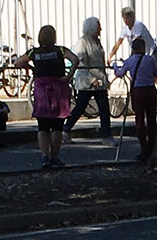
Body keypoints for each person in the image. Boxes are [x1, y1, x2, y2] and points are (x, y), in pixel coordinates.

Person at [13, 25, 79, 168]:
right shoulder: (60, 50)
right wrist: (69, 76)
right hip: (59, 87)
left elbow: (18, 62)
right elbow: (75, 59)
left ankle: (44, 156)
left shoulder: (34, 52)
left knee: (42, 126)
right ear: (54, 37)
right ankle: (55, 157)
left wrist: (31, 69)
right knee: (57, 126)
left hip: (41, 88)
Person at [64, 17, 115, 145]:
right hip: (87, 82)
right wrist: (92, 79)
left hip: (99, 82)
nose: (101, 30)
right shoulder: (83, 42)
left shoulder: (96, 41)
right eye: (98, 27)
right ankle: (66, 130)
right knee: (80, 107)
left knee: (104, 108)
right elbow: (81, 62)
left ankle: (106, 135)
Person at [113, 38, 157, 161]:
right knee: (152, 120)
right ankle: (152, 146)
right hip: (150, 90)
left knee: (140, 121)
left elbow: (120, 73)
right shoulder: (150, 60)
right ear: (143, 47)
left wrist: (115, 66)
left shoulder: (130, 61)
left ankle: (143, 149)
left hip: (138, 91)